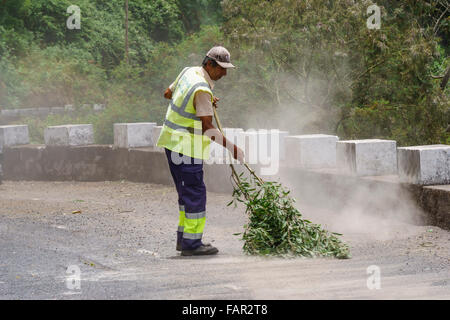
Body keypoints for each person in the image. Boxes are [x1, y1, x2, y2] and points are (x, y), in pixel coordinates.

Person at [157, 46, 244, 256]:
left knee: (186, 194)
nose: (224, 73)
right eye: (221, 69)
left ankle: (184, 239)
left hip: (171, 143)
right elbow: (206, 127)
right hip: (186, 149)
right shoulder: (202, 89)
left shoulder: (189, 72)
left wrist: (201, 103)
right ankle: (192, 244)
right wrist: (232, 148)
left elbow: (168, 93)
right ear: (209, 64)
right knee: (195, 194)